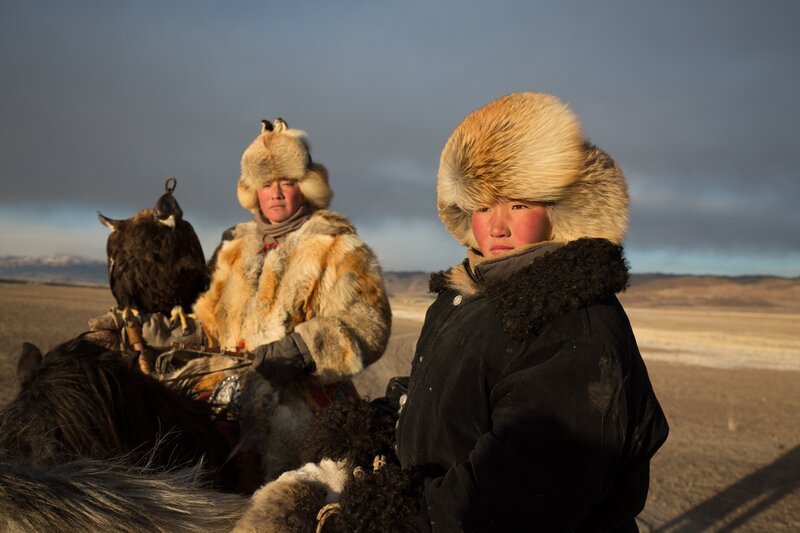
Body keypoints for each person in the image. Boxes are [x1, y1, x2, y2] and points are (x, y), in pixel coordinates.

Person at [240, 92, 669, 531]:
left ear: (560, 208)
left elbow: (521, 488)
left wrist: (397, 519)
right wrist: (378, 424)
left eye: (518, 203)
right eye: (481, 206)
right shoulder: (466, 298)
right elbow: (441, 395)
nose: (496, 226)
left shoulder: (575, 324)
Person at [90, 117, 392, 484]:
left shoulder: (337, 247)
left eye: (286, 182)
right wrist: (158, 333)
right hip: (230, 387)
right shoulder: (234, 247)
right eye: (266, 183)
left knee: (292, 486)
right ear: (253, 190)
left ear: (306, 187)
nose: (276, 192)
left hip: (305, 396)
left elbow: (369, 324)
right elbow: (208, 324)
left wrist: (303, 349)